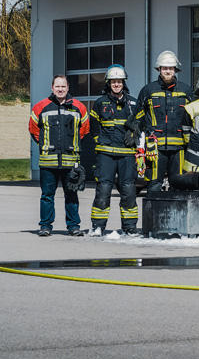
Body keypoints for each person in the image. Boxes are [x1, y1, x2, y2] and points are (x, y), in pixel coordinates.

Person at [28, 75, 89, 237]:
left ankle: (73, 226)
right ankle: (45, 226)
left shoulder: (79, 107)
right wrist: (44, 145)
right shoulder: (41, 106)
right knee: (47, 195)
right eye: (57, 87)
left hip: (71, 161)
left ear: (68, 87)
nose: (60, 89)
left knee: (71, 194)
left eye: (63, 86)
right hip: (48, 161)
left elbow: (84, 130)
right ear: (52, 87)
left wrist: (72, 145)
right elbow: (34, 129)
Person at [88, 65, 140, 236]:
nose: (116, 84)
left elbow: (141, 124)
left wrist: (135, 134)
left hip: (127, 154)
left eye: (119, 81)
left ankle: (130, 227)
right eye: (113, 81)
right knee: (103, 190)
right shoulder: (100, 103)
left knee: (129, 191)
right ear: (108, 83)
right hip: (106, 155)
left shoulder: (133, 103)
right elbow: (94, 127)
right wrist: (100, 142)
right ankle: (98, 226)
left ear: (124, 83)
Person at [133, 50, 193, 194]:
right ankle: (153, 217)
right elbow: (137, 118)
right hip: (155, 147)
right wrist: (135, 139)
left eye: (171, 68)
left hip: (179, 148)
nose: (167, 71)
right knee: (154, 185)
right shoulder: (148, 90)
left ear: (175, 70)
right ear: (159, 69)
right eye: (164, 68)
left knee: (179, 184)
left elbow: (193, 119)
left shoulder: (186, 90)